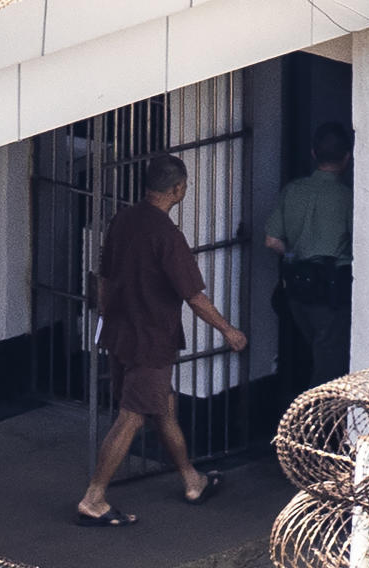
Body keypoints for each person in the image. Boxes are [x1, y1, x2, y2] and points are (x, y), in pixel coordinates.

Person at [76, 155, 248, 527]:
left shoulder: (122, 220)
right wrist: (228, 331)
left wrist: (108, 316)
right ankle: (94, 497)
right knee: (133, 416)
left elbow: (103, 278)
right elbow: (194, 297)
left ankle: (192, 480)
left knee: (163, 408)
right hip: (152, 339)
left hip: (120, 332)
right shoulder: (168, 236)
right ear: (178, 189)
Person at [265, 122, 353, 388]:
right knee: (330, 366)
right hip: (331, 292)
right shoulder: (348, 197)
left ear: (313, 154)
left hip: (296, 287)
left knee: (303, 354)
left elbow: (271, 241)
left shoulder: (293, 191)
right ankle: (319, 424)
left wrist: (294, 254)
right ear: (348, 156)